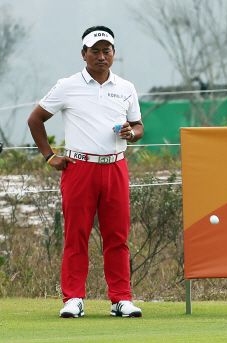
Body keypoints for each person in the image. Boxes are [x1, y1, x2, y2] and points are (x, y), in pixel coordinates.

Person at [28, 25, 144, 318]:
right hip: (79, 168)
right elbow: (36, 119)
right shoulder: (67, 85)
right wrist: (49, 156)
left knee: (117, 236)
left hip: (116, 166)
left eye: (107, 51)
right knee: (76, 234)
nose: (101, 56)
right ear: (84, 54)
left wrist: (133, 132)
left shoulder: (125, 88)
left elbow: (138, 126)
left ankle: (121, 299)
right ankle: (74, 299)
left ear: (114, 54)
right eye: (95, 51)